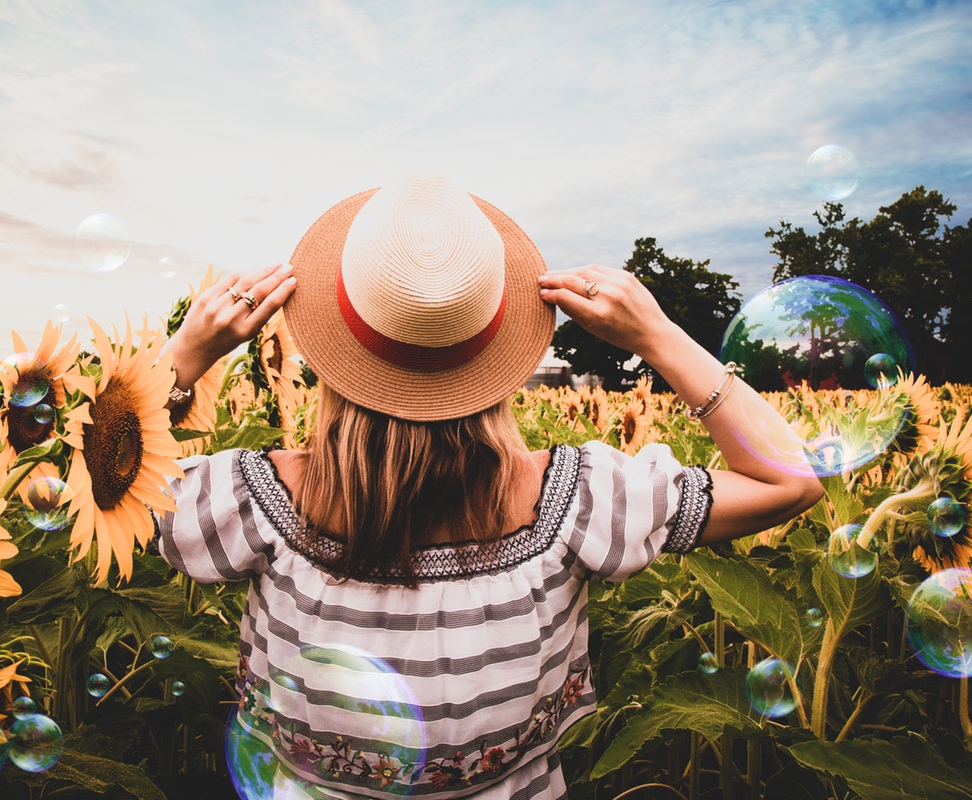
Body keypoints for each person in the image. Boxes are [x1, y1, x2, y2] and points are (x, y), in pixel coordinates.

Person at [156, 175, 824, 799]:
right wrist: (658, 335)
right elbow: (789, 481)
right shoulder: (580, 501)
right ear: (497, 353)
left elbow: (108, 486)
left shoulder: (250, 500)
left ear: (336, 350)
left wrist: (184, 358)